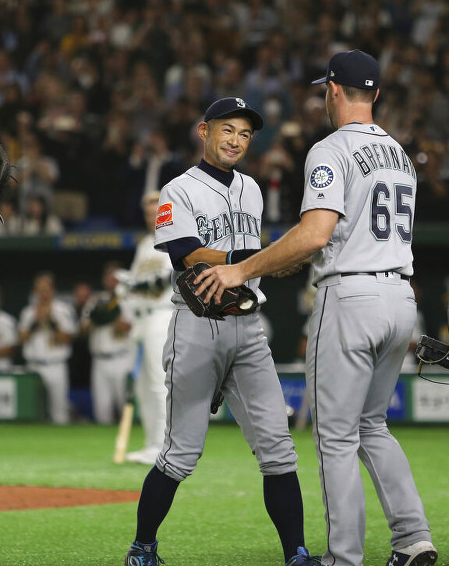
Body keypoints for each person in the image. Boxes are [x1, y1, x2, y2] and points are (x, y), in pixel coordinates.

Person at [196, 51, 438, 566]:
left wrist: (241, 270)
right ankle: (414, 538)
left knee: (335, 435)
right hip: (400, 296)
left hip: (350, 296)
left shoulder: (331, 148)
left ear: (332, 89)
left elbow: (315, 234)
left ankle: (344, 558)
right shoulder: (399, 151)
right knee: (373, 426)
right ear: (374, 93)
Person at [124, 97, 320, 566]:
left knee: (278, 450)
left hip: (249, 329)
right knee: (180, 454)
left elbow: (252, 261)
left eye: (245, 134)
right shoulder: (179, 189)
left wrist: (274, 260)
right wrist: (259, 260)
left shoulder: (252, 188)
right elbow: (189, 255)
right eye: (227, 129)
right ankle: (142, 547)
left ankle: (296, 553)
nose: (236, 140)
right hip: (197, 327)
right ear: (204, 131)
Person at [123, 191, 174, 465]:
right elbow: (133, 281)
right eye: (147, 210)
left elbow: (167, 279)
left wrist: (141, 285)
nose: (150, 215)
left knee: (158, 382)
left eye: (156, 209)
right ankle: (150, 444)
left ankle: (165, 446)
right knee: (142, 385)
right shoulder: (144, 244)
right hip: (140, 318)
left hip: (161, 314)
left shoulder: (175, 238)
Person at [19, 271, 77, 424]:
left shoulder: (63, 310)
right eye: (40, 289)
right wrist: (36, 323)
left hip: (56, 365)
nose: (43, 293)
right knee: (32, 411)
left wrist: (50, 321)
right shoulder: (28, 312)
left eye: (46, 289)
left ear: (52, 290)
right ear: (35, 291)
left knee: (59, 412)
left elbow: (67, 338)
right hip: (34, 365)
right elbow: (21, 339)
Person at [80, 261, 134, 424]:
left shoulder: (129, 300)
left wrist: (113, 318)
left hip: (122, 358)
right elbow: (83, 328)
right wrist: (98, 317)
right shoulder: (96, 300)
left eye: (115, 276)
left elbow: (131, 327)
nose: (111, 280)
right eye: (108, 276)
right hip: (99, 361)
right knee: (102, 410)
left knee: (124, 407)